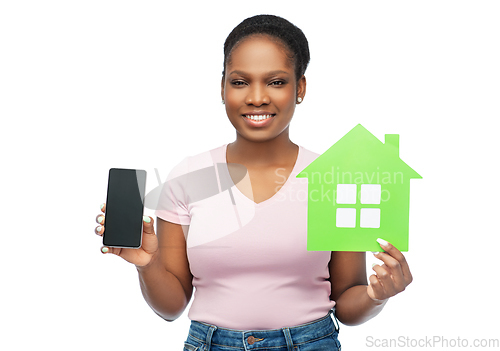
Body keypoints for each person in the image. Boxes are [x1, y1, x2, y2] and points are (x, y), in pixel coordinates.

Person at [95, 14, 413, 351]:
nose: (257, 97)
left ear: (300, 87)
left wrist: (377, 296)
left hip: (311, 343)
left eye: (276, 82)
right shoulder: (188, 178)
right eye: (240, 82)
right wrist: (148, 264)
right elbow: (171, 307)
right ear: (222, 88)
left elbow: (348, 303)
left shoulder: (334, 178)